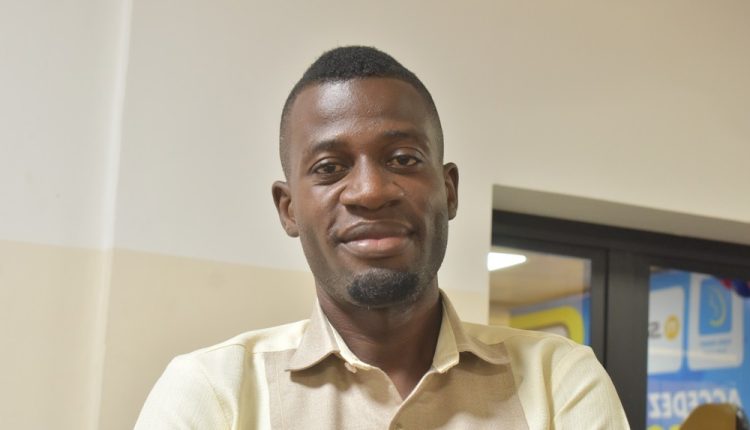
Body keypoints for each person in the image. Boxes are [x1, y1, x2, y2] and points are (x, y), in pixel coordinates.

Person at [135, 46, 630, 429]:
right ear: (289, 209)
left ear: (449, 191)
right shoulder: (213, 391)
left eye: (403, 159)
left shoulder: (558, 380)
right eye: (329, 167)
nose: (370, 192)